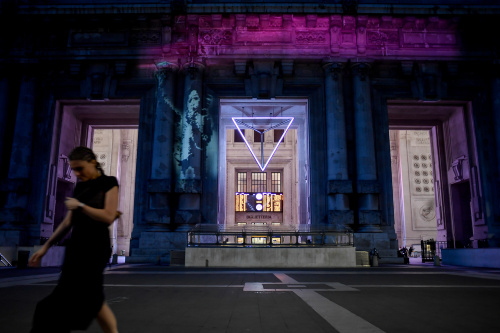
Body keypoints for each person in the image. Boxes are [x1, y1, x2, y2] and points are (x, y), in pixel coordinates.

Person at [29, 146, 120, 333]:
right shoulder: (80, 186)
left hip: (96, 247)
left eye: (80, 168)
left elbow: (109, 216)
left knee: (78, 297)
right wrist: (45, 247)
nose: (77, 173)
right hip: (76, 246)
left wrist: (80, 205)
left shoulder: (109, 182)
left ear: (93, 162)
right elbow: (67, 222)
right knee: (93, 298)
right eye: (73, 169)